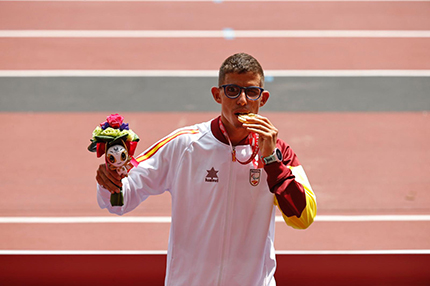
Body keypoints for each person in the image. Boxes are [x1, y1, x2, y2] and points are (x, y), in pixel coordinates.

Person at [96, 53, 317, 286]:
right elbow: (119, 201)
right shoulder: (185, 145)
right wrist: (111, 180)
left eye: (251, 92)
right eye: (232, 90)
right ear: (217, 94)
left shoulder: (278, 152)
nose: (242, 100)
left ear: (263, 99)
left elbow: (303, 218)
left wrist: (271, 161)